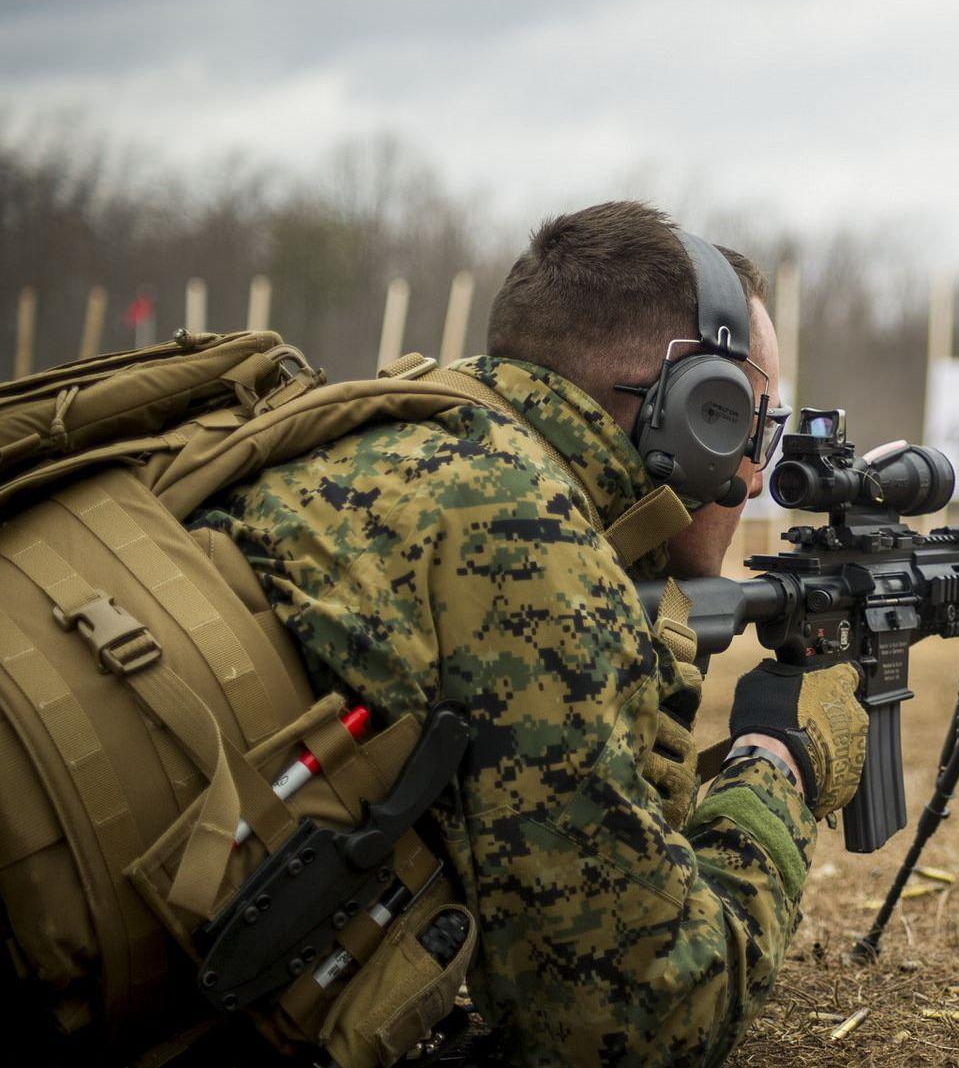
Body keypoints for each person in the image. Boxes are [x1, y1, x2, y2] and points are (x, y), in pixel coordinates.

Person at [190, 201, 868, 1065]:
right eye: (756, 431)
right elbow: (640, 1026)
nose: (759, 472)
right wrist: (780, 766)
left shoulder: (387, 439)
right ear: (702, 415)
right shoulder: (527, 541)